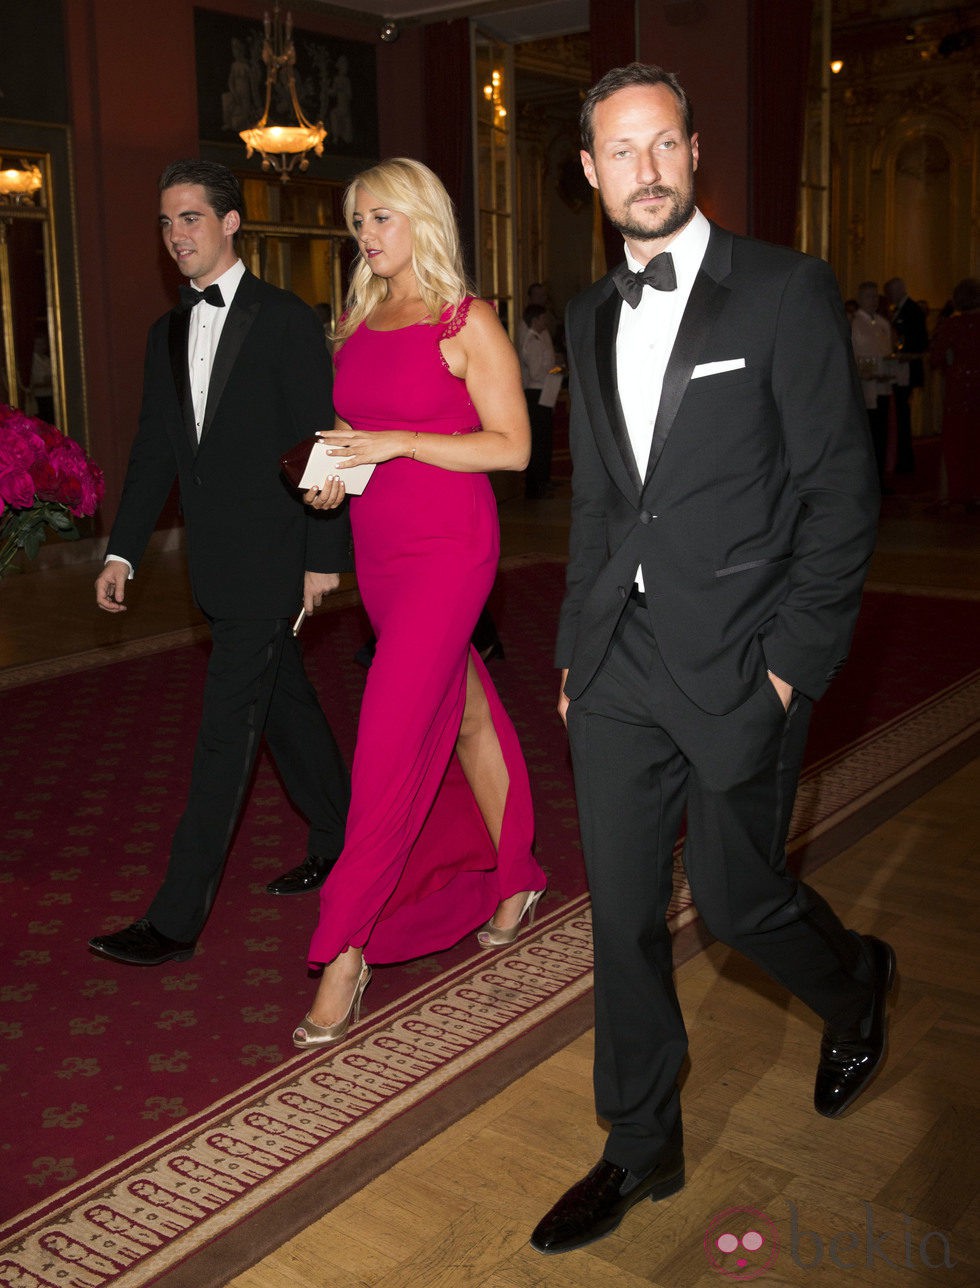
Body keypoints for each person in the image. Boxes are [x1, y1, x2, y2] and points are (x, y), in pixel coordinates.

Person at [531, 64, 895, 1256]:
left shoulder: (783, 292)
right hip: (621, 664)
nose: (644, 169)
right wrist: (578, 647)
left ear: (692, 153)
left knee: (737, 903)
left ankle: (852, 984)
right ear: (589, 174)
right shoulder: (586, 316)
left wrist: (790, 665)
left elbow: (838, 496)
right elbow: (601, 507)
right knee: (622, 915)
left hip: (743, 657)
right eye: (618, 152)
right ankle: (639, 1143)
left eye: (662, 144)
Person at [293, 157, 547, 1047]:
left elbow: (513, 449)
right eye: (359, 220)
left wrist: (398, 440)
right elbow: (359, 441)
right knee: (466, 714)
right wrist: (337, 480)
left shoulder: (464, 320)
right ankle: (515, 872)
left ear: (424, 219)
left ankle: (345, 951)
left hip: (450, 549)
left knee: (388, 737)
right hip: (381, 550)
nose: (367, 235)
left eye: (383, 217)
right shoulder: (359, 319)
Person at [89, 159, 352, 967]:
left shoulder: (283, 319)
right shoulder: (164, 334)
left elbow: (323, 440)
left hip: (277, 557)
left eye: (191, 220)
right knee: (285, 708)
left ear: (231, 223)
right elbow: (154, 454)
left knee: (223, 734)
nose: (177, 238)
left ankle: (173, 919)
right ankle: (347, 835)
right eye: (166, 224)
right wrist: (124, 548)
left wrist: (321, 556)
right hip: (216, 564)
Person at [930, 276, 980, 510]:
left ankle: (959, 492)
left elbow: (936, 357)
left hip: (959, 386)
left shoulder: (952, 325)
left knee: (957, 440)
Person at [850, 280, 894, 491]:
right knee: (867, 436)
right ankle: (866, 480)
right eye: (869, 296)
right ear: (860, 299)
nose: (873, 300)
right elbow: (854, 358)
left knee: (881, 435)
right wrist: (871, 372)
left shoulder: (883, 323)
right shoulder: (855, 324)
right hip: (865, 390)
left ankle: (879, 478)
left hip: (882, 387)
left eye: (876, 296)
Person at [884, 276, 929, 474]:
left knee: (903, 415)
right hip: (900, 368)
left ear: (898, 290)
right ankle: (902, 457)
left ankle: (905, 459)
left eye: (891, 292)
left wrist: (903, 353)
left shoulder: (911, 309)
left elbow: (920, 343)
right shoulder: (901, 309)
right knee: (900, 415)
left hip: (906, 369)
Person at [519, 303, 557, 498]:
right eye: (542, 318)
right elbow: (535, 372)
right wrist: (554, 371)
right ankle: (534, 486)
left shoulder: (541, 337)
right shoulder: (532, 340)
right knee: (538, 441)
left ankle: (541, 481)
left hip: (544, 392)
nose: (545, 321)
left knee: (545, 440)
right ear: (535, 320)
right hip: (536, 393)